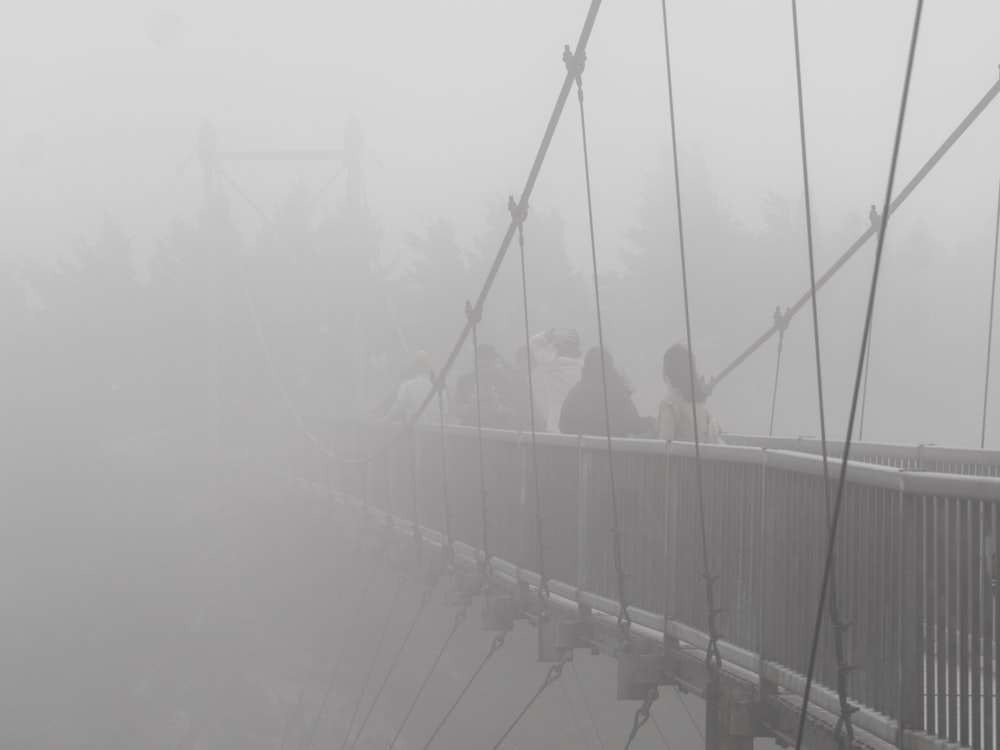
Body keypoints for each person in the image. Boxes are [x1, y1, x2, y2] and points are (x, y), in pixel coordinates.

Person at [559, 347, 643, 438]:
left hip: (582, 450)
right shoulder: (618, 393)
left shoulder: (575, 393)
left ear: (587, 367)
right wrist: (653, 422)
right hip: (614, 451)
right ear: (609, 368)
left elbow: (563, 426)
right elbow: (635, 426)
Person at [657, 344, 722, 443]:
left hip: (680, 459)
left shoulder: (669, 404)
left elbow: (664, 449)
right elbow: (716, 428)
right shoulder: (699, 403)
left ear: (665, 371)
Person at [529, 328, 584, 432]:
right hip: (579, 426)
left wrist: (553, 335)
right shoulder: (583, 366)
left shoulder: (551, 362)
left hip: (556, 427)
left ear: (559, 345)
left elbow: (534, 342)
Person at [454, 344, 516, 428]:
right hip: (470, 433)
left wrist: (498, 407)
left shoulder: (507, 380)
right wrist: (471, 406)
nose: (485, 371)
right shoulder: (464, 380)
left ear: (496, 362)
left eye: (490, 366)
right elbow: (456, 412)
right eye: (481, 367)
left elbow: (515, 413)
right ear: (475, 363)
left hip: (499, 433)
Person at [385, 351, 447, 425]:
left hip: (416, 434)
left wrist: (384, 420)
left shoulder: (407, 385)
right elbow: (446, 416)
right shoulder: (439, 389)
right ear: (429, 367)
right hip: (436, 435)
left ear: (413, 367)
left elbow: (398, 409)